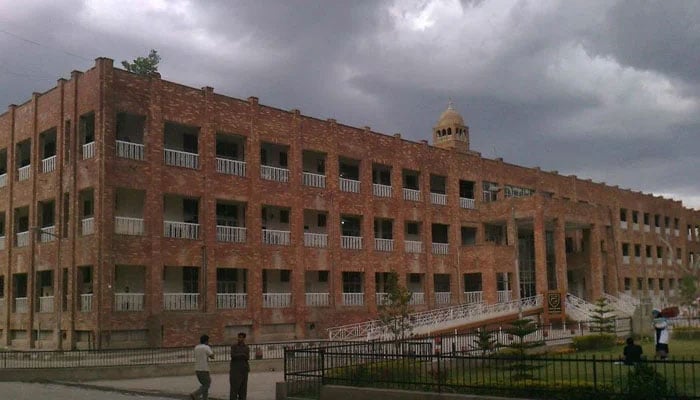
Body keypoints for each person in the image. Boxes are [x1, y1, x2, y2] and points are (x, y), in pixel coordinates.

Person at [190, 334, 214, 400]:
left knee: (204, 384)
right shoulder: (206, 347)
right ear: (206, 341)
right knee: (207, 384)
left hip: (197, 369)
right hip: (204, 369)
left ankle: (205, 398)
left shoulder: (196, 347)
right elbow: (212, 356)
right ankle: (195, 394)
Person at [230, 332, 250, 400]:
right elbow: (233, 356)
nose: (240, 339)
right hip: (235, 370)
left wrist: (240, 355)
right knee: (234, 388)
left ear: (244, 338)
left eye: (242, 337)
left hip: (244, 369)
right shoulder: (234, 346)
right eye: (239, 337)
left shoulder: (246, 347)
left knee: (243, 389)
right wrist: (242, 355)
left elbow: (247, 357)